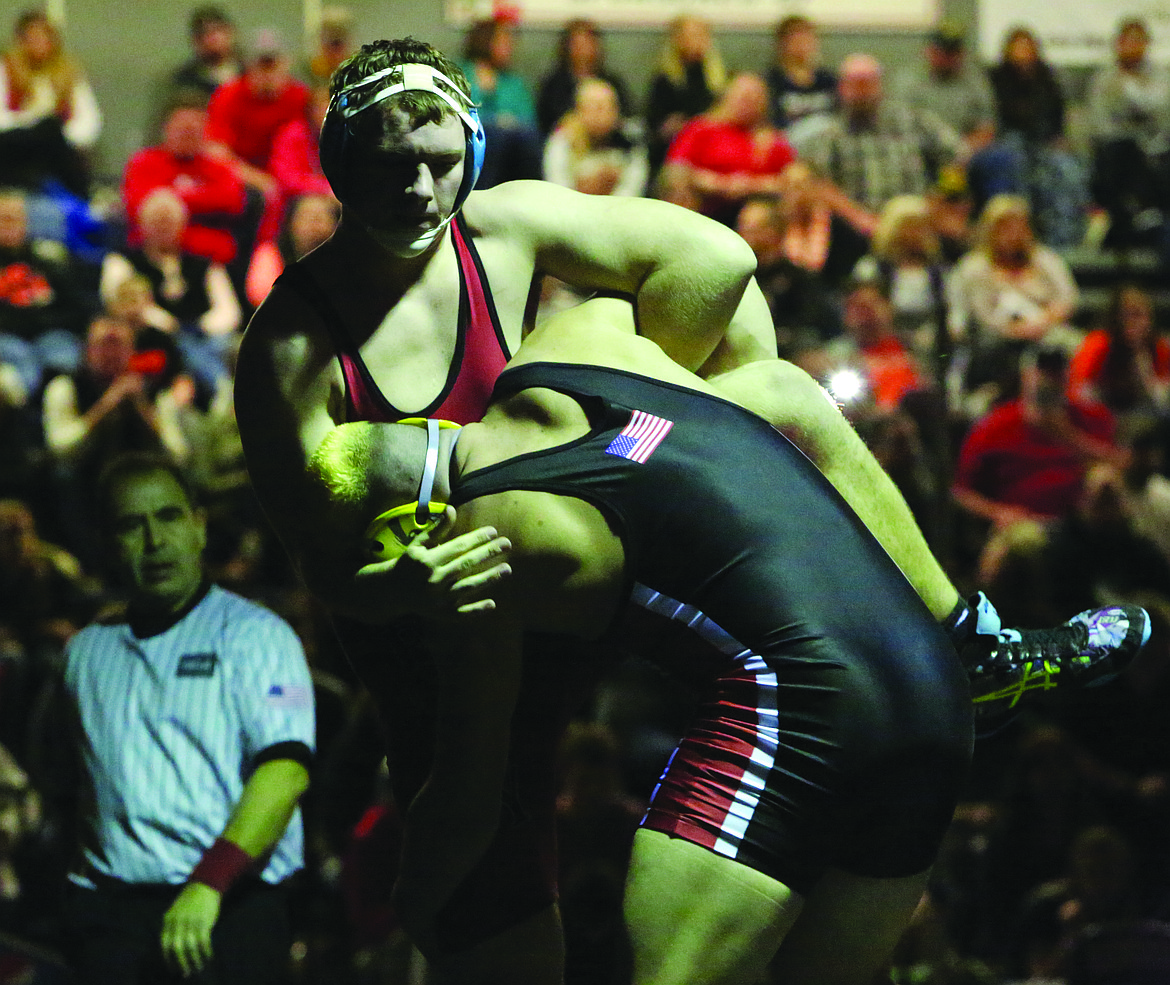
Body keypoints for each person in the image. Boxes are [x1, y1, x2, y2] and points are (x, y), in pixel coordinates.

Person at [234, 37, 1147, 982]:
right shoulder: (292, 349)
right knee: (486, 895)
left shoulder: (502, 230)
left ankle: (974, 636)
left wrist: (677, 384)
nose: (423, 192)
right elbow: (326, 566)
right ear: (338, 164)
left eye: (439, 162)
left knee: (785, 395)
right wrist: (404, 583)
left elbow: (719, 260)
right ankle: (962, 644)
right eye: (392, 168)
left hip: (562, 524)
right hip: (464, 597)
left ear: (471, 142)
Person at [299, 295, 1145, 984]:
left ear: (405, 524)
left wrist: (424, 884)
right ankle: (976, 637)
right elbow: (716, 264)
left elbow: (475, 778)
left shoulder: (497, 535)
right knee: (782, 388)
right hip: (932, 698)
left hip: (798, 712)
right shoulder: (585, 334)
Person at [59, 452, 314, 984]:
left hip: (227, 910)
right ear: (109, 543)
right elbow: (67, 784)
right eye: (132, 525)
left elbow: (286, 772)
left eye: (169, 517)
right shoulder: (84, 654)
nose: (155, 542)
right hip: (113, 925)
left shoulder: (258, 636)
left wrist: (209, 885)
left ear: (199, 526)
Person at [796, 53, 963, 230]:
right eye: (855, 85)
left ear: (880, 85)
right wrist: (860, 218)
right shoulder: (829, 134)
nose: (862, 92)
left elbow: (956, 154)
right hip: (856, 227)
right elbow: (818, 183)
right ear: (842, 88)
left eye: (868, 84)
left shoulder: (913, 121)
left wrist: (935, 203)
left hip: (914, 221)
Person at [123, 90, 250, 267]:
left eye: (194, 130)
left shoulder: (219, 167)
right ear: (166, 128)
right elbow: (136, 203)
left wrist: (170, 198)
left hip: (212, 259)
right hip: (149, 257)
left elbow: (232, 201)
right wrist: (199, 200)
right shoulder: (144, 162)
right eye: (182, 129)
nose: (188, 135)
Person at [662, 71, 796, 226]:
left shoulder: (772, 139)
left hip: (756, 206)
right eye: (744, 98)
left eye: (756, 99)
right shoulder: (701, 128)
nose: (749, 104)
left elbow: (792, 179)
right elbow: (675, 170)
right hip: (703, 202)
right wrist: (719, 184)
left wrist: (752, 185)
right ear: (727, 97)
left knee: (756, 217)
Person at [0, 9, 100, 197]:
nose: (38, 43)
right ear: (20, 41)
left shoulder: (70, 74)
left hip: (56, 148)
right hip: (16, 145)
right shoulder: (6, 69)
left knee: (52, 130)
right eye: (31, 38)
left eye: (43, 37)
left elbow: (89, 123)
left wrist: (58, 135)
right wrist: (35, 127)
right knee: (46, 128)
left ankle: (78, 205)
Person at [458, 18, 541, 187]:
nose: (509, 48)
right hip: (473, 142)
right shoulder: (461, 73)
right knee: (492, 136)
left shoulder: (513, 82)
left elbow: (528, 120)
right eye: (504, 42)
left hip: (512, 148)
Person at [644, 16, 726, 184]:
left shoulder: (719, 81)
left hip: (711, 153)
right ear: (676, 40)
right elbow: (654, 126)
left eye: (700, 35)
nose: (696, 41)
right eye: (690, 36)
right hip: (673, 154)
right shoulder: (665, 81)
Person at [541, 77, 648, 198]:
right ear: (578, 110)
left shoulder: (630, 141)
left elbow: (633, 189)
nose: (601, 115)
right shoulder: (563, 140)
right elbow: (557, 188)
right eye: (595, 107)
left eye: (608, 108)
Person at [535, 18, 631, 137]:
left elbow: (627, 117)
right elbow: (546, 122)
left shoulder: (612, 83)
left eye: (587, 43)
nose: (582, 49)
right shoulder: (553, 85)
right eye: (577, 44)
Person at [764, 15, 838, 141]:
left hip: (826, 144)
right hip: (787, 144)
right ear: (782, 44)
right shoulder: (771, 82)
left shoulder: (828, 80)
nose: (803, 45)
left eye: (807, 38)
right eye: (795, 39)